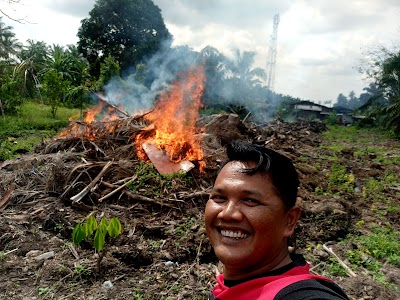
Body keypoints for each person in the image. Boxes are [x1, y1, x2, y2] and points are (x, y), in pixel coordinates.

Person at [205, 140, 349, 300]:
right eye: (219, 198)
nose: (228, 213)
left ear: (289, 220)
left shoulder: (305, 296)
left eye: (250, 201)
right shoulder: (227, 289)